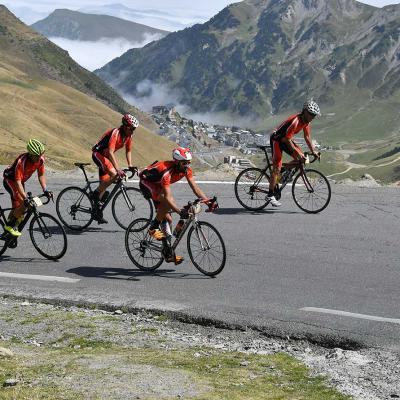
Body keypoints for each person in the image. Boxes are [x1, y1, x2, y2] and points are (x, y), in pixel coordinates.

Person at [139, 147, 213, 264]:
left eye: (189, 163)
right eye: (184, 163)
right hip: (147, 183)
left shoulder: (186, 170)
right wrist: (179, 211)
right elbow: (167, 198)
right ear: (177, 162)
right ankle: (153, 228)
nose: (187, 165)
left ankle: (167, 251)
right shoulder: (166, 172)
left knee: (168, 218)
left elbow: (195, 189)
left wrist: (208, 201)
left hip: (159, 185)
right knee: (167, 203)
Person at [267, 100, 321, 207]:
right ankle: (270, 195)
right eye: (311, 114)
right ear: (305, 112)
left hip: (286, 140)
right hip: (277, 140)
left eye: (314, 115)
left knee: (303, 159)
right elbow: (287, 139)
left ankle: (282, 173)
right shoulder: (295, 121)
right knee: (277, 167)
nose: (312, 117)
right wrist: (296, 152)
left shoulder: (306, 122)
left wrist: (313, 151)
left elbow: (307, 137)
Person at [91, 113, 139, 223]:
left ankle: (96, 212)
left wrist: (130, 165)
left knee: (104, 184)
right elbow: (111, 152)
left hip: (106, 157)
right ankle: (95, 194)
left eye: (134, 129)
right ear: (126, 126)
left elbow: (129, 151)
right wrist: (118, 169)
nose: (133, 131)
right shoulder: (116, 133)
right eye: (132, 129)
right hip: (98, 155)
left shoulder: (128, 136)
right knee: (114, 175)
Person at [2, 139, 52, 237]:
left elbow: (41, 175)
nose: (39, 158)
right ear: (30, 154)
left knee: (19, 208)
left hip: (20, 182)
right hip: (11, 181)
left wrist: (45, 189)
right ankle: (9, 226)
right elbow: (18, 182)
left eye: (40, 155)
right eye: (36, 156)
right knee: (24, 204)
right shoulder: (22, 162)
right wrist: (25, 198)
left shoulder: (40, 159)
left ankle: (8, 228)